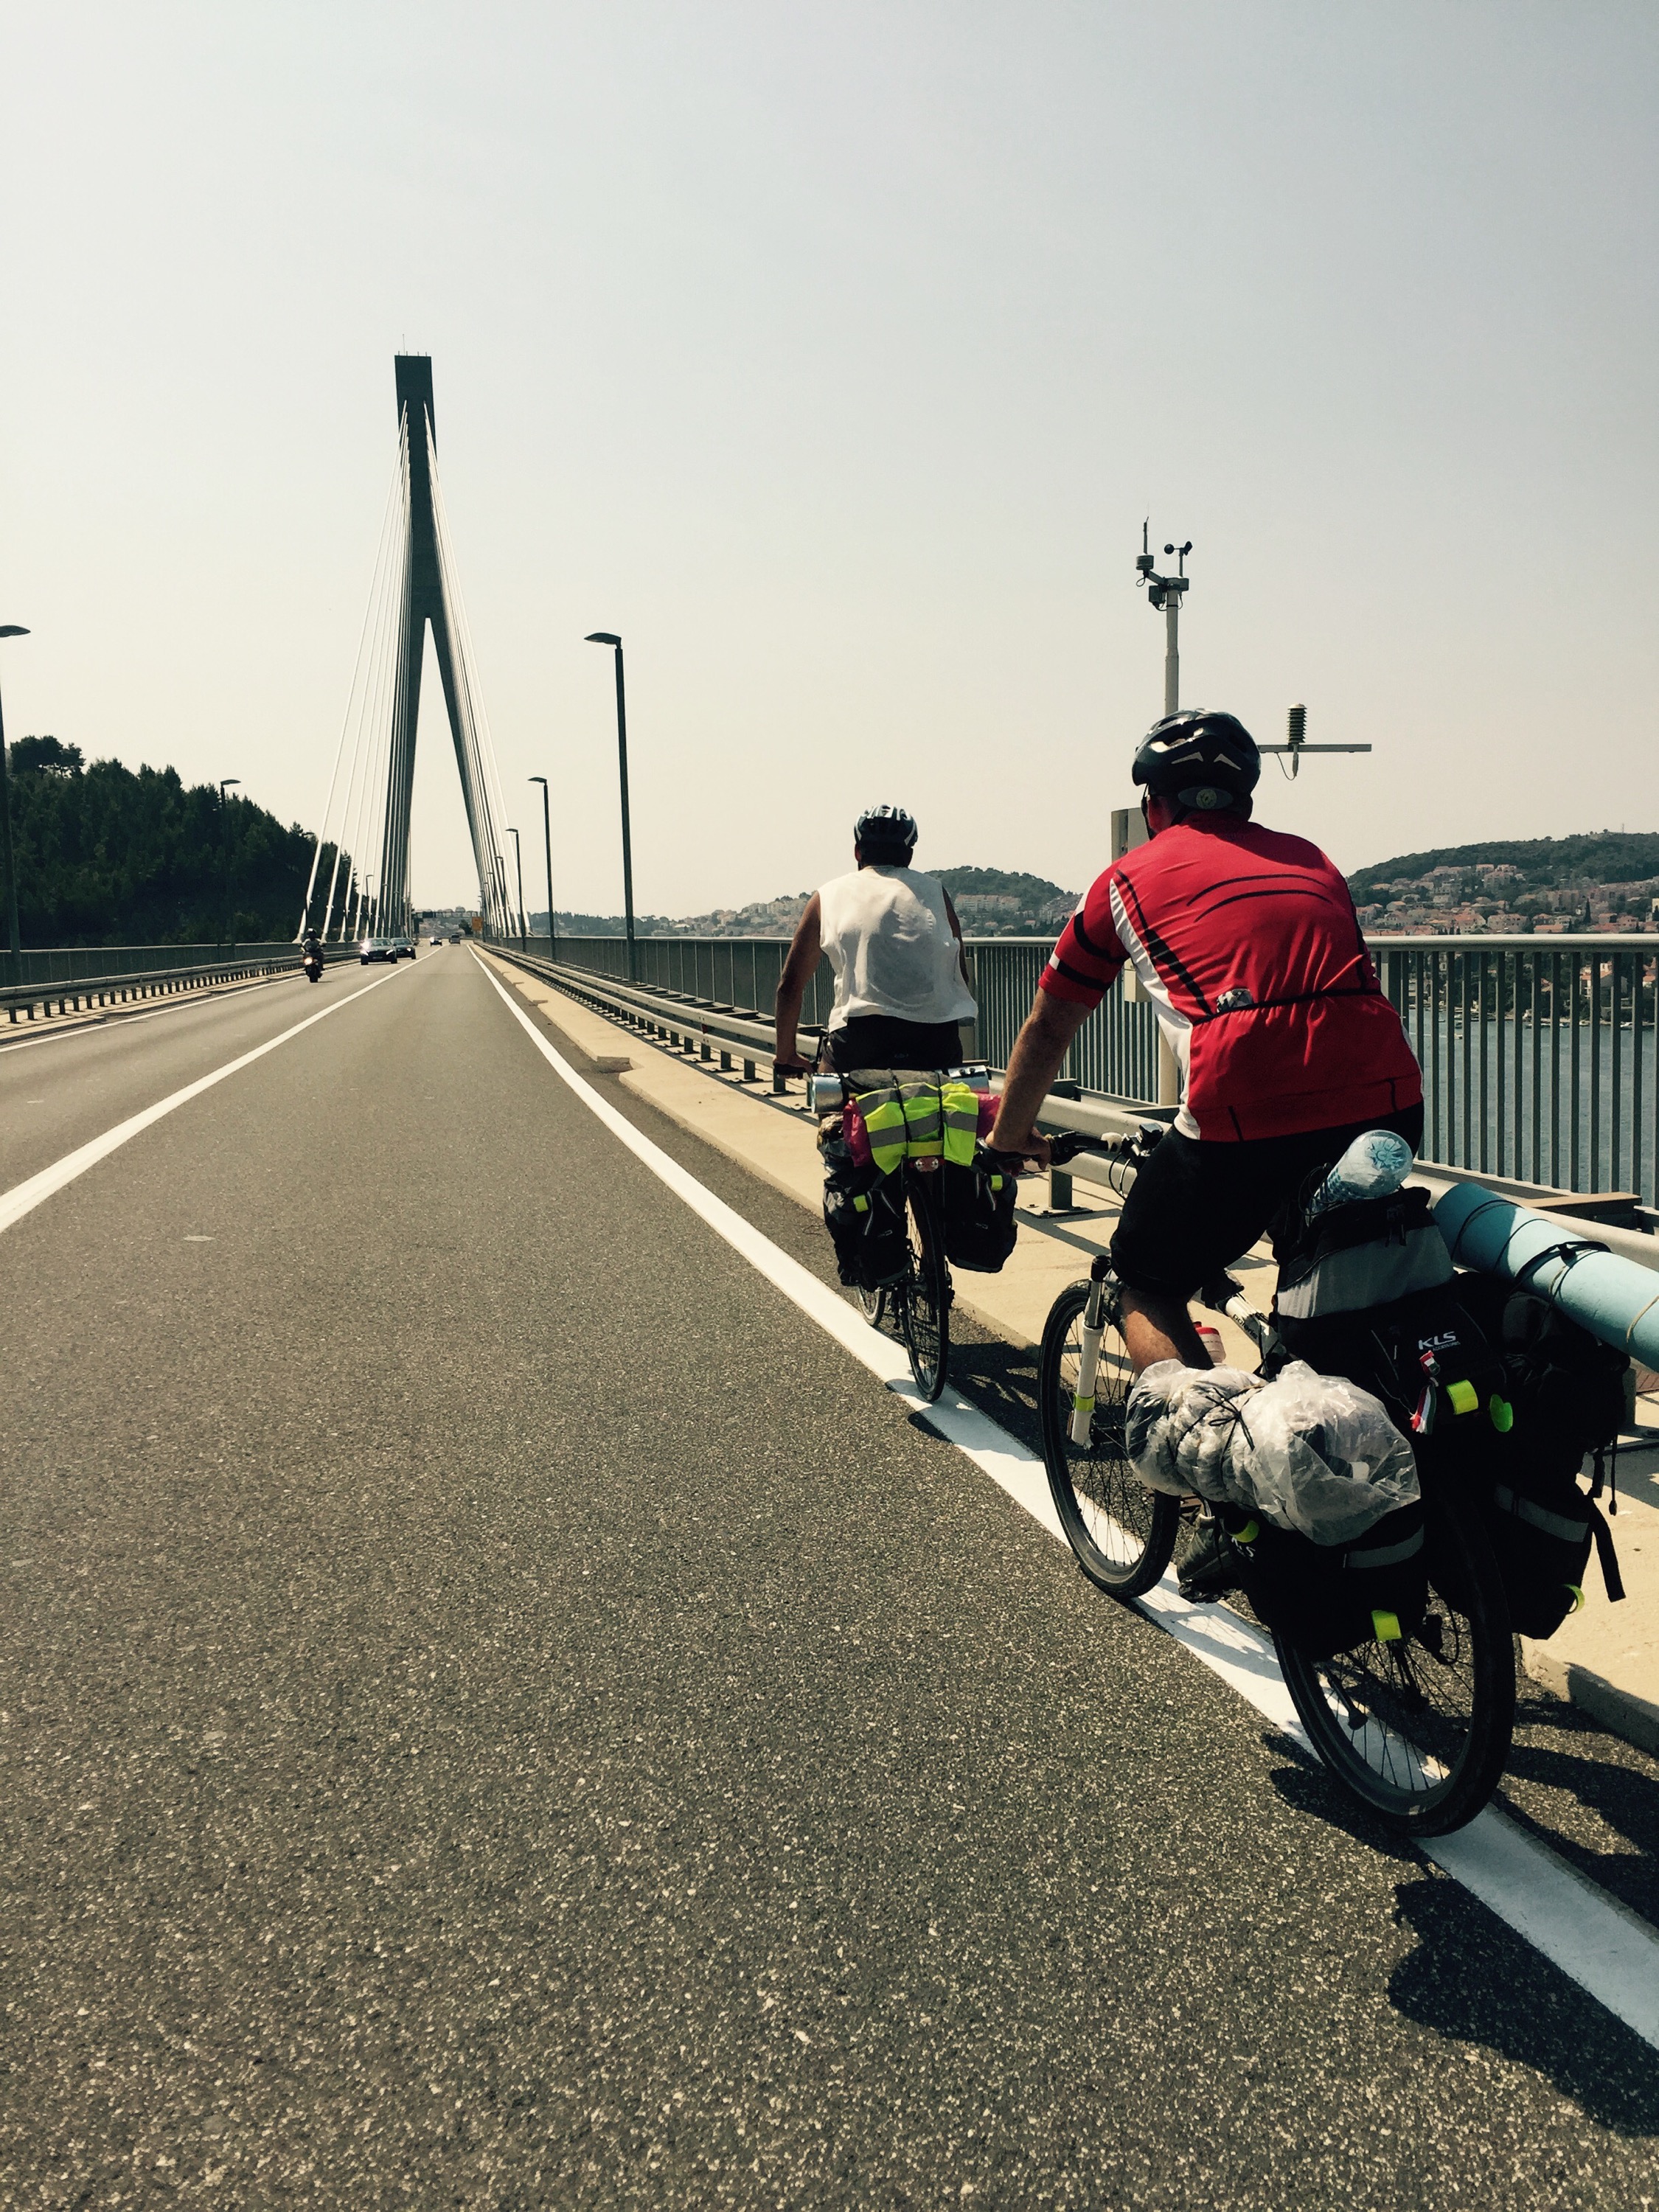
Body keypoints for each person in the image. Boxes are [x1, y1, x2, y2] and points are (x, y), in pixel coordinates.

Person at [987, 709, 1424, 1377]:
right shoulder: (1313, 859)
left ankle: (1209, 1459)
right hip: (1390, 1098)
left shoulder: (1123, 882)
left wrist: (1011, 1135)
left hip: (1243, 1109)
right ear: (1247, 796)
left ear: (1152, 805)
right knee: (1320, 1249)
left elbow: (1050, 1025)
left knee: (1147, 1278)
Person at [774, 806, 977, 1076]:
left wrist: (785, 1054)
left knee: (834, 1101)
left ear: (857, 852)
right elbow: (959, 975)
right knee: (948, 1109)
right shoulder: (935, 891)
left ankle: (834, 1118)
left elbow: (790, 985)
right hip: (934, 1038)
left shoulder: (827, 895)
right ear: (909, 855)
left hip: (859, 1038)